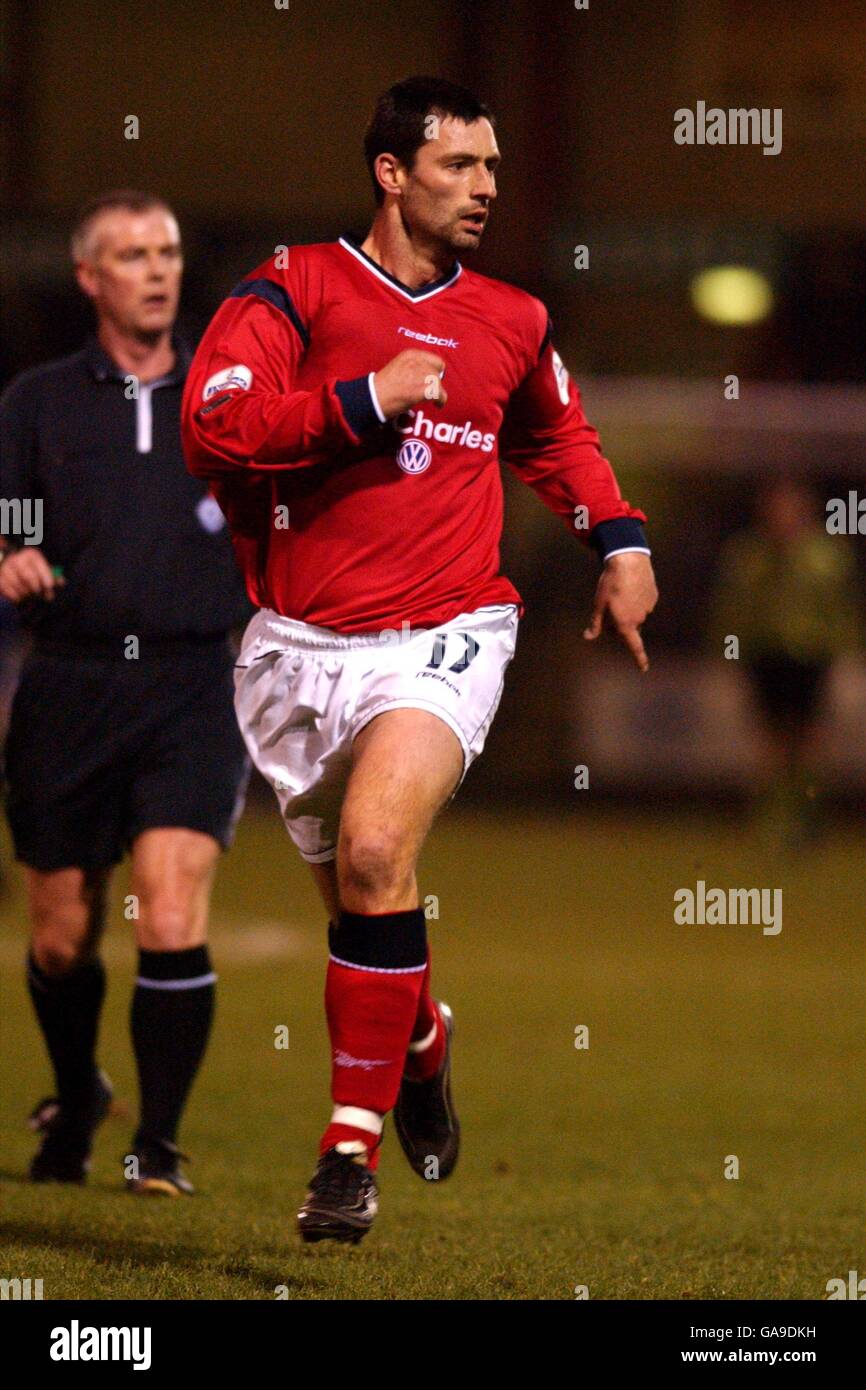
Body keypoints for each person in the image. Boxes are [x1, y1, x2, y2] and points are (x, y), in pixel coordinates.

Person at [182, 77, 658, 1243]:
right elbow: (213, 424)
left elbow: (555, 435)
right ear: (390, 173)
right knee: (362, 901)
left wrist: (620, 539)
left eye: (492, 168)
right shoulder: (290, 287)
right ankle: (421, 1039)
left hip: (445, 633)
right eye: (460, 167)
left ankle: (345, 1153)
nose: (485, 188)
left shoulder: (511, 317)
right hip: (295, 652)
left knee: (378, 847)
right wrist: (362, 399)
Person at [0, 190, 250, 1195]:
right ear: (89, 278)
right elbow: (10, 506)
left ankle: (161, 1142)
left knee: (171, 909)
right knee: (60, 938)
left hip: (193, 685)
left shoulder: (231, 395)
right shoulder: (36, 401)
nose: (157, 269)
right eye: (132, 254)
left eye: (169, 251)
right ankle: (75, 1094)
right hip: (68, 684)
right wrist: (12, 548)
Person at [709, 477, 861, 845]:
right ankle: (771, 819)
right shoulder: (748, 554)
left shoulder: (826, 555)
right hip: (764, 655)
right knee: (770, 743)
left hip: (810, 655)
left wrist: (850, 655)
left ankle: (809, 818)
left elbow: (842, 610)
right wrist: (727, 653)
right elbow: (731, 611)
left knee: (810, 741)